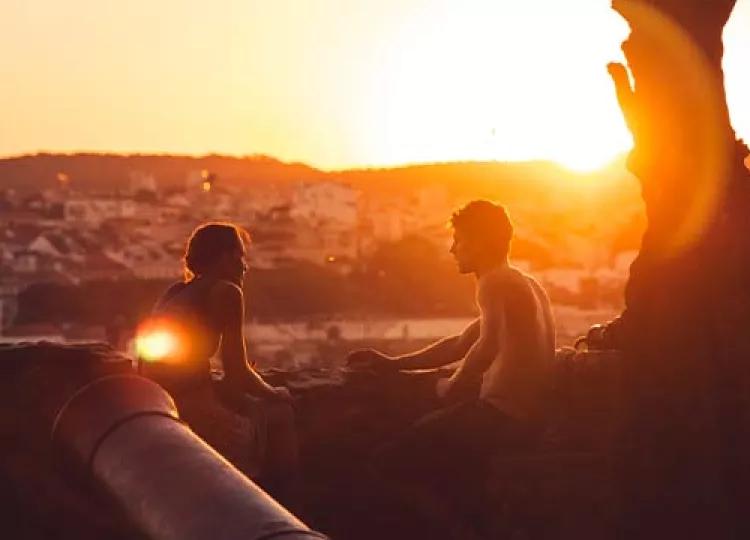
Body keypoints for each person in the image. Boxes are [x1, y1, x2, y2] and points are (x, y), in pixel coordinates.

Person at [347, 200, 556, 533]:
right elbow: (461, 344)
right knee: (457, 475)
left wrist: (453, 385)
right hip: (524, 416)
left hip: (501, 414)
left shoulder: (493, 283)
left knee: (388, 461)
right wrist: (394, 364)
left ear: (481, 242)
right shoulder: (523, 283)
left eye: (459, 240)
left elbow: (485, 347)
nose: (452, 249)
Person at [137, 222, 295, 486]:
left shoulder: (176, 292)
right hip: (192, 407)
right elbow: (237, 372)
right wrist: (275, 392)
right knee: (280, 412)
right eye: (239, 257)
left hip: (158, 400)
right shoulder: (226, 292)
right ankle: (283, 502)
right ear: (223, 258)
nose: (245, 266)